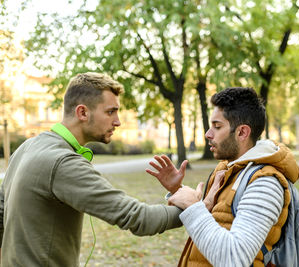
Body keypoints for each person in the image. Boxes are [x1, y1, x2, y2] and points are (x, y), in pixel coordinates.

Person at [0, 72, 183, 266]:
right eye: (110, 112)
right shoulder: (63, 162)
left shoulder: (27, 147)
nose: (118, 121)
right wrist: (195, 209)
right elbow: (138, 217)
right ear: (83, 113)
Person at [147, 87, 299, 267]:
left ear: (242, 132)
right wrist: (178, 192)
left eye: (217, 126)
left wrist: (193, 206)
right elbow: (211, 228)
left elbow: (234, 259)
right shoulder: (226, 170)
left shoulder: (265, 184)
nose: (208, 134)